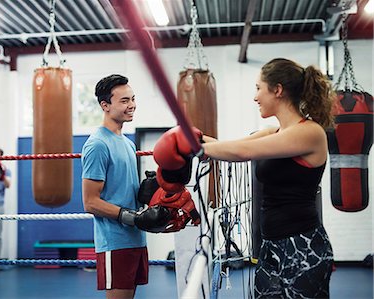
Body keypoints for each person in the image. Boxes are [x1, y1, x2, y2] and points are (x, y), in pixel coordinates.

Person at [157, 58, 335, 298]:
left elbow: (243, 153)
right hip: (270, 246)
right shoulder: (274, 132)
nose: (255, 97)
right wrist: (190, 138)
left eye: (258, 88)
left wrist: (198, 149)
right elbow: (229, 146)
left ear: (278, 90)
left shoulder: (310, 133)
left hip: (302, 245)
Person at [81, 74, 169, 299]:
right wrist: (132, 217)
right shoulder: (97, 145)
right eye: (124, 101)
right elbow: (90, 202)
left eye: (133, 98)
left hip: (136, 239)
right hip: (115, 240)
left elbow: (120, 191)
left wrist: (145, 192)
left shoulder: (128, 144)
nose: (132, 105)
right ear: (105, 105)